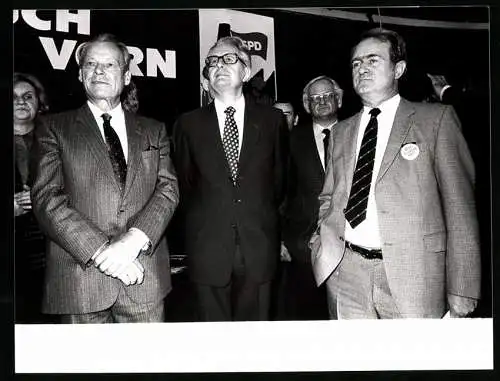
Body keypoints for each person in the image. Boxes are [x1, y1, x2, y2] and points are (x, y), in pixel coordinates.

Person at [310, 28, 481, 319]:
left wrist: (463, 288)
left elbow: (460, 209)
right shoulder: (340, 132)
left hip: (415, 276)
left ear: (398, 68)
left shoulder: (435, 120)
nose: (362, 68)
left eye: (373, 60)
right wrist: (320, 243)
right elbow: (329, 197)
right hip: (346, 275)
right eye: (356, 63)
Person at [31, 33, 179, 323]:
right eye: (90, 64)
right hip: (80, 279)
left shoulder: (154, 130)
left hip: (143, 275)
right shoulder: (52, 128)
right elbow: (47, 199)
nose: (99, 70)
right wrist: (103, 251)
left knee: (147, 366)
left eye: (109, 64)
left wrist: (131, 242)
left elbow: (167, 190)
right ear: (80, 74)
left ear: (126, 76)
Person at [173, 36, 289, 321]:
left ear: (246, 72)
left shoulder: (272, 121)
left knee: (254, 342)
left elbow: (281, 182)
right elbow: (184, 186)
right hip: (208, 247)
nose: (219, 66)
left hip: (258, 245)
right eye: (212, 61)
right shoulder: (187, 124)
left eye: (228, 59)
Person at [278, 76, 343, 320]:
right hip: (303, 248)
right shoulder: (291, 141)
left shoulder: (358, 133)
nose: (323, 101)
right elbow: (280, 194)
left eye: (328, 95)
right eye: (316, 98)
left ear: (338, 99)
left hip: (351, 245)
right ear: (306, 105)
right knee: (308, 318)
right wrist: (281, 240)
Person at [14, 72, 52, 323]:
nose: (21, 102)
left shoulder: (55, 139)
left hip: (48, 248)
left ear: (39, 102)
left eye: (28, 96)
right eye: (13, 97)